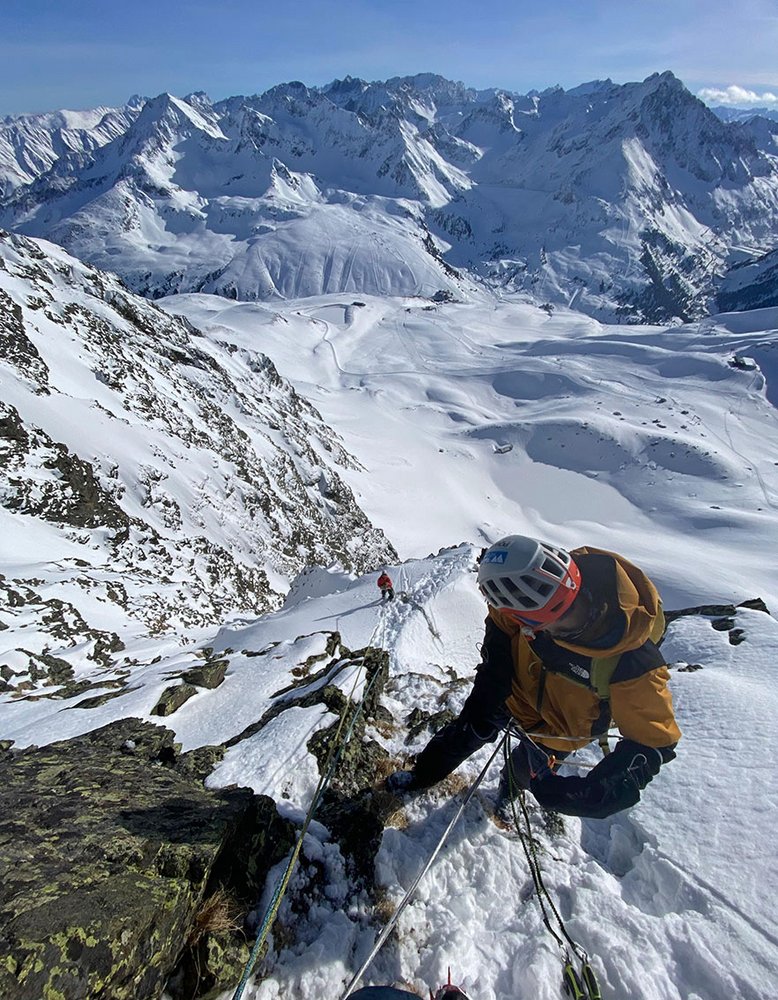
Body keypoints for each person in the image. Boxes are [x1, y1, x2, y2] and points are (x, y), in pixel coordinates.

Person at [387, 535, 681, 819]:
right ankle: (422, 775)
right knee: (464, 734)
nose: (567, 624)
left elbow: (653, 742)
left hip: (559, 730)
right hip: (512, 696)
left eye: (568, 614)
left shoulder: (633, 662)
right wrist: (494, 678)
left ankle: (508, 794)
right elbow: (501, 622)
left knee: (523, 769)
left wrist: (597, 793)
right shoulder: (530, 586)